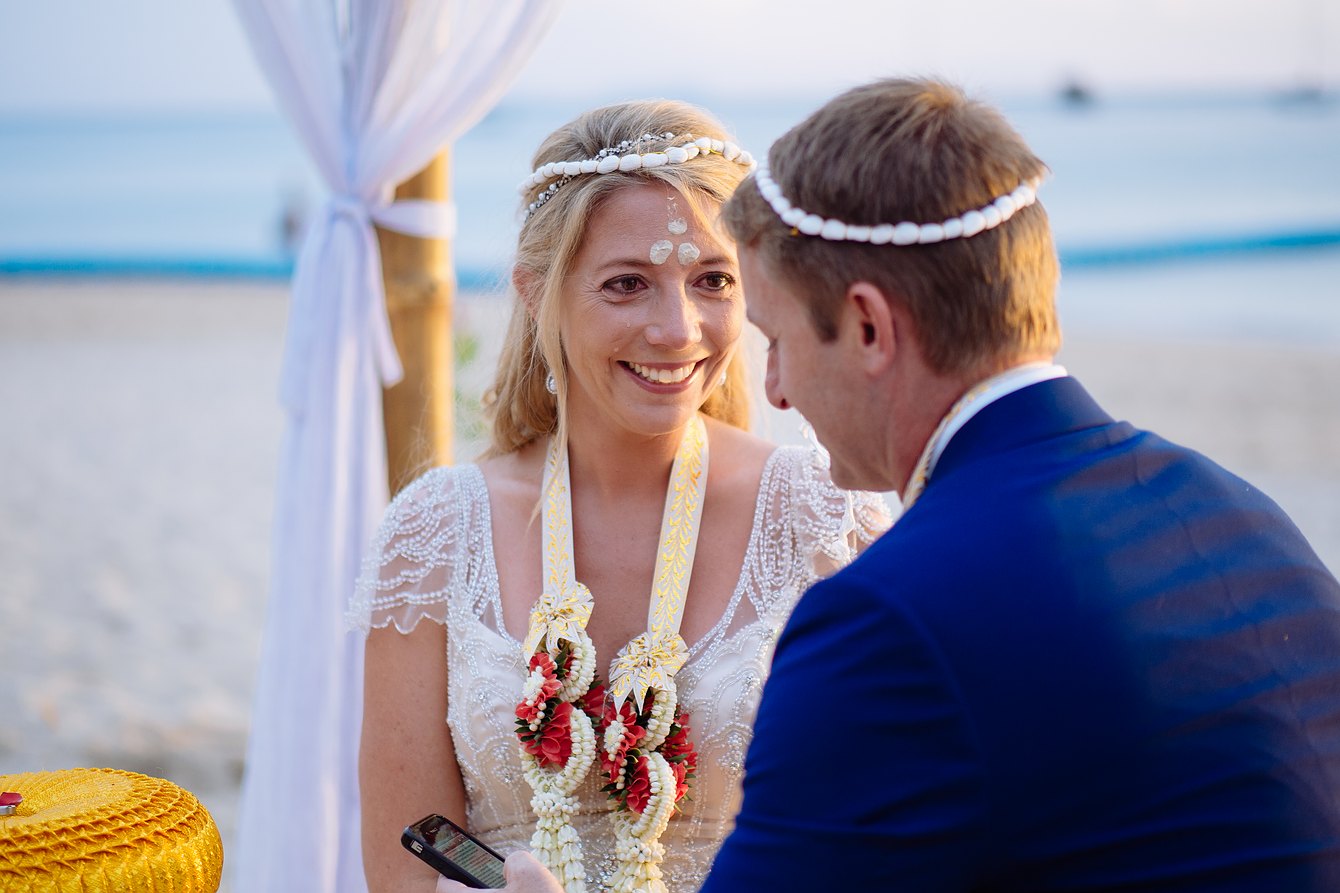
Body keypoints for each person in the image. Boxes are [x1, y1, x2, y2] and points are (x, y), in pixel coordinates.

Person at [461, 78, 1340, 893]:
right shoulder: (1250, 525)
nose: (774, 391)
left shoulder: (888, 615)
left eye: (782, 336)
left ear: (871, 327)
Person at [349, 99, 890, 893]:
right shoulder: (433, 531)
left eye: (712, 280)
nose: (677, 329)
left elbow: (885, 832)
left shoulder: (824, 516)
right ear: (538, 295)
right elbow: (398, 868)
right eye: (627, 284)